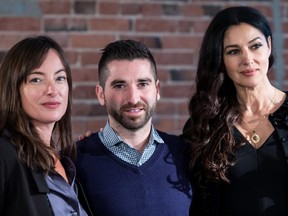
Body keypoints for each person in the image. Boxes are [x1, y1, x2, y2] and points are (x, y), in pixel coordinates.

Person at [181, 6, 288, 216]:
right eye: (234, 51)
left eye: (255, 46)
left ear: (268, 45)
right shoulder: (205, 126)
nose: (247, 59)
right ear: (221, 59)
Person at [75, 39, 192, 216]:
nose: (133, 97)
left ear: (157, 89)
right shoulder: (74, 162)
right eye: (120, 85)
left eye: (142, 83)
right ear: (101, 94)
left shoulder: (185, 154)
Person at [0, 36, 88, 216]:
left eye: (60, 78)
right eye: (36, 80)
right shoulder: (4, 154)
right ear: (13, 88)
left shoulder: (65, 161)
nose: (52, 90)